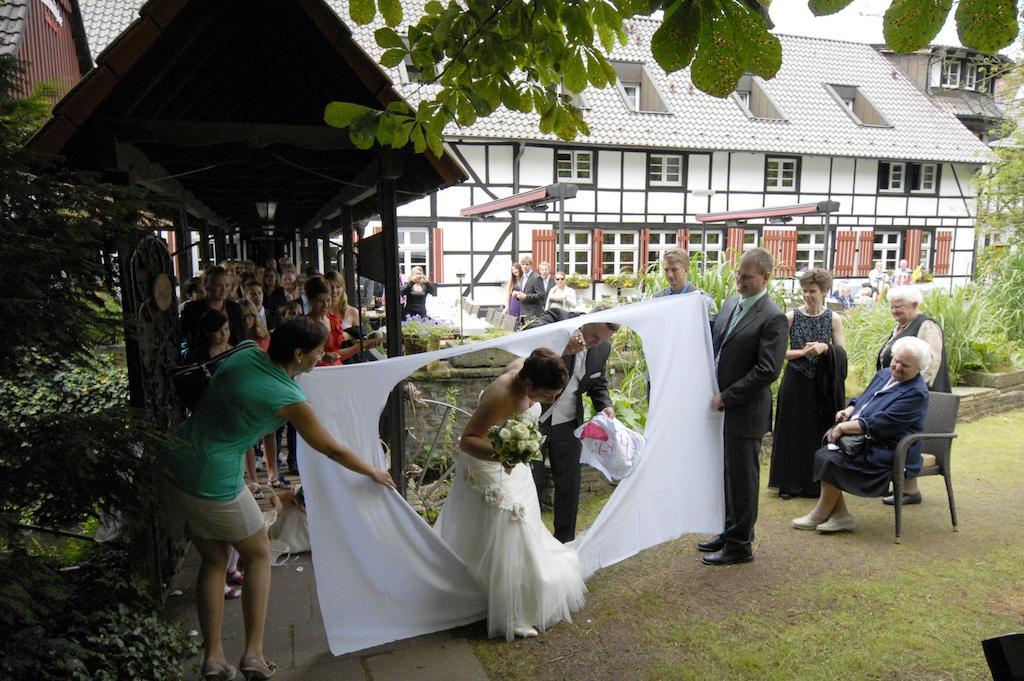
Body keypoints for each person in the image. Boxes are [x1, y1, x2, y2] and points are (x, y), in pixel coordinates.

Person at [167, 317, 396, 680]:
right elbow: (330, 448)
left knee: (213, 559)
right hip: (214, 478)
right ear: (299, 353)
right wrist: (372, 471)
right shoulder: (289, 397)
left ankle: (213, 658)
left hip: (179, 461)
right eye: (318, 351)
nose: (323, 355)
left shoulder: (245, 352)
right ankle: (254, 655)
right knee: (257, 554)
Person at [434, 348, 586, 640]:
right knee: (507, 532)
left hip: (513, 467)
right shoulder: (502, 395)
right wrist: (501, 453)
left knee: (522, 528)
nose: (551, 400)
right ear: (528, 385)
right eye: (548, 395)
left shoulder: (524, 366)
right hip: (490, 466)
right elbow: (467, 440)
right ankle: (513, 611)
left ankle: (519, 590)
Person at [699, 248, 788, 566]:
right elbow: (716, 343)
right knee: (726, 475)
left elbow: (767, 370)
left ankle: (740, 545)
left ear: (766, 278)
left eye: (747, 277)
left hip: (745, 410)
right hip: (722, 407)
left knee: (743, 478)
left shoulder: (773, 317)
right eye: (738, 274)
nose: (740, 281)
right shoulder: (730, 304)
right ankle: (729, 531)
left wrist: (727, 396)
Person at [792, 336, 930, 533]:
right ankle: (840, 516)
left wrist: (843, 428)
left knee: (829, 458)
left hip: (889, 448)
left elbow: (882, 423)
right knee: (825, 454)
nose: (897, 367)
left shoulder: (916, 393)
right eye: (896, 361)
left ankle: (822, 515)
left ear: (918, 369)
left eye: (905, 365)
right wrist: (849, 410)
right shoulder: (884, 374)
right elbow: (863, 399)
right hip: (866, 440)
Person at [525, 308, 617, 543]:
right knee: (531, 484)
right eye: (595, 337)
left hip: (569, 425)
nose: (596, 344)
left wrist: (604, 405)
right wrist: (565, 336)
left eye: (603, 341)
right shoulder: (558, 318)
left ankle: (565, 544)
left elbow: (598, 382)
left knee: (569, 487)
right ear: (586, 322)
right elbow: (527, 335)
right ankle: (531, 542)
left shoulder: (602, 347)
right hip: (534, 420)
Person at [768, 269, 847, 500]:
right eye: (804, 291)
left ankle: (816, 484)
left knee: (817, 431)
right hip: (796, 380)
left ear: (823, 292)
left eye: (812, 291)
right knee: (792, 431)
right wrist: (802, 352)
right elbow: (778, 352)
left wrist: (825, 349)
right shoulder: (791, 317)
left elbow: (841, 353)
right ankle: (789, 484)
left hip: (821, 384)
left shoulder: (833, 318)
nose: (807, 295)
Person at [876, 285, 950, 505]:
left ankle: (909, 489)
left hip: (915, 396)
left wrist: (912, 394)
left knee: (908, 436)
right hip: (896, 392)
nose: (894, 311)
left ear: (915, 305)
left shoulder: (926, 325)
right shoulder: (900, 326)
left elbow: (931, 362)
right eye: (892, 307)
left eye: (898, 307)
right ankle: (898, 485)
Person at [306, 276, 381, 366]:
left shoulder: (333, 320)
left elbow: (336, 355)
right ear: (311, 301)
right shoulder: (305, 325)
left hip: (338, 370)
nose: (325, 305)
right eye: (320, 301)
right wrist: (323, 357)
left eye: (328, 300)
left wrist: (358, 348)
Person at [181, 266, 245, 355]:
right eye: (218, 285)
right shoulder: (192, 309)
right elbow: (185, 338)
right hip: (204, 360)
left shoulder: (235, 308)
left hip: (233, 356)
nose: (224, 289)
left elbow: (240, 336)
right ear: (207, 286)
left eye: (227, 285)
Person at [652, 248, 715, 313]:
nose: (670, 275)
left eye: (674, 270)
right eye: (666, 270)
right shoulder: (657, 299)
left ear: (686, 270)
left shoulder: (703, 299)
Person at [515, 255, 546, 324]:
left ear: (531, 265)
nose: (525, 266)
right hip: (523, 314)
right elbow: (524, 293)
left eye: (527, 264)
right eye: (523, 264)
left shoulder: (536, 277)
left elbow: (541, 295)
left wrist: (526, 296)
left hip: (533, 314)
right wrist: (518, 295)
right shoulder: (522, 277)